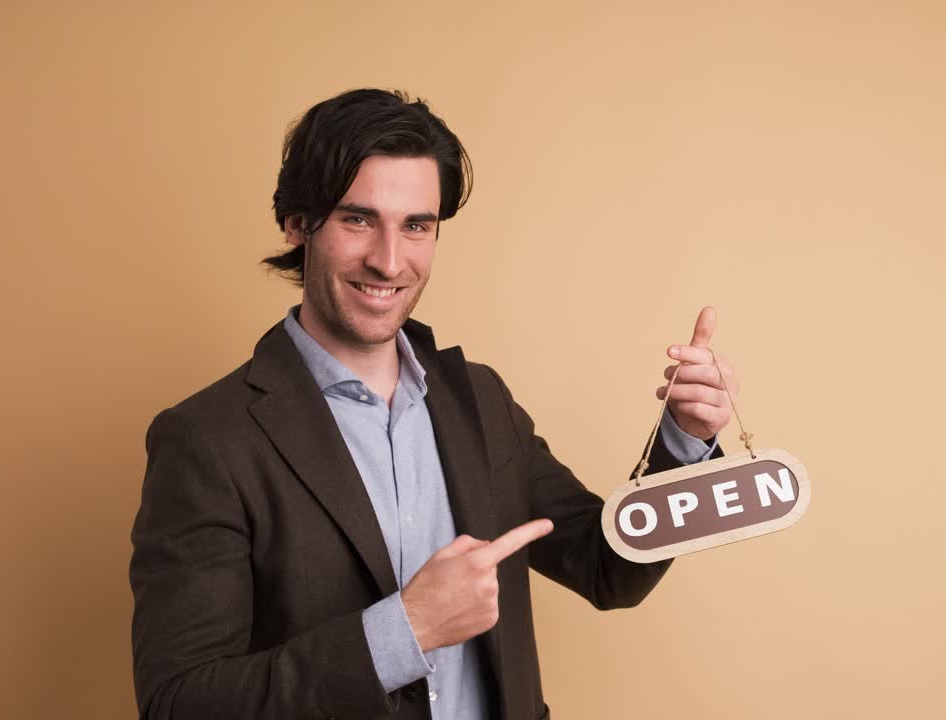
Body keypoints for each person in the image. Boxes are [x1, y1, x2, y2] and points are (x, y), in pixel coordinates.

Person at [128, 88, 741, 720]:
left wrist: (682, 442)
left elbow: (608, 569)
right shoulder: (206, 440)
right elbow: (180, 703)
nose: (390, 260)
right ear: (296, 222)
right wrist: (403, 631)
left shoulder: (479, 400)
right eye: (357, 218)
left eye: (416, 225)